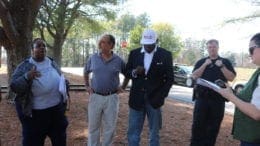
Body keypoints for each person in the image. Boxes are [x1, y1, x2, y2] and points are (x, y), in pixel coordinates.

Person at [10, 38, 69, 146]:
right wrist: (27, 76)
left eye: (44, 46)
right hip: (35, 116)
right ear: (32, 50)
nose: (42, 47)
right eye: (38, 46)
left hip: (56, 113)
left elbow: (61, 78)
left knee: (60, 140)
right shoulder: (25, 66)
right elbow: (14, 86)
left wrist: (65, 83)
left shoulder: (52, 62)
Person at [125, 29, 174, 146]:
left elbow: (170, 78)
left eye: (150, 44)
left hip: (155, 101)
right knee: (133, 132)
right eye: (145, 44)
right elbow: (126, 72)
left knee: (154, 133)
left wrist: (162, 96)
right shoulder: (134, 53)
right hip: (136, 100)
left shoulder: (165, 55)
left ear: (156, 41)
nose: (147, 46)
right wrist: (135, 72)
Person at [190, 39, 236, 146]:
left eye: (214, 47)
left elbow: (231, 77)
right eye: (210, 47)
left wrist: (222, 66)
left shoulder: (225, 62)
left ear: (218, 47)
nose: (212, 49)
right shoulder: (201, 61)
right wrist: (205, 65)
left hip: (218, 100)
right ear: (207, 48)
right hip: (201, 99)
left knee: (213, 127)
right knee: (197, 125)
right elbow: (194, 76)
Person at [84, 34, 128, 146]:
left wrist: (122, 87)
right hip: (95, 97)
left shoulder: (118, 60)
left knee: (110, 127)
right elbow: (86, 71)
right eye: (100, 42)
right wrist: (87, 86)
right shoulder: (93, 58)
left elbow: (127, 74)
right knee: (93, 126)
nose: (100, 44)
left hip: (112, 98)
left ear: (111, 45)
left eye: (104, 42)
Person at [217, 33, 260, 146]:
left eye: (251, 49)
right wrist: (233, 93)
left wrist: (230, 96)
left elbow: (257, 113)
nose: (249, 54)